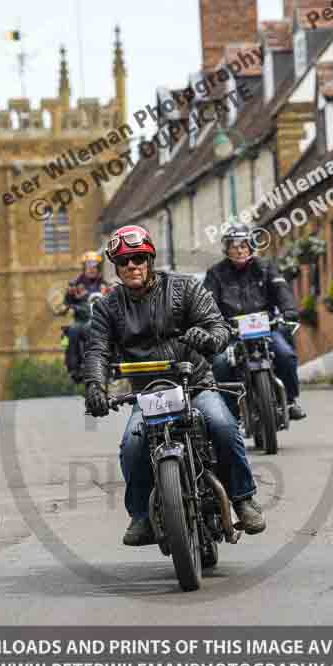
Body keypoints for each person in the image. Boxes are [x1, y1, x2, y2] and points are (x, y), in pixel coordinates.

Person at [83, 224, 266, 546]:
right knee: (132, 446)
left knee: (223, 425)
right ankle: (141, 515)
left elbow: (217, 326)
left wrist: (207, 339)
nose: (132, 266)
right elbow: (97, 350)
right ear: (116, 266)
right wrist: (95, 386)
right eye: (123, 261)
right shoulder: (107, 307)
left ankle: (243, 498)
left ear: (150, 259)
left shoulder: (184, 288)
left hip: (194, 384)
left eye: (138, 258)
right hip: (148, 393)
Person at [203, 223, 306, 421]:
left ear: (250, 247)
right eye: (234, 246)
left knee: (285, 355)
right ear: (227, 250)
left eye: (243, 245)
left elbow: (281, 289)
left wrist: (289, 310)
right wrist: (209, 322)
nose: (239, 250)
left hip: (266, 328)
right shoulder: (215, 273)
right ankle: (231, 412)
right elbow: (207, 302)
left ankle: (290, 401)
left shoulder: (265, 267)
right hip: (232, 333)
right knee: (221, 363)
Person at [62, 252, 109, 381]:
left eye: (95, 265)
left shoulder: (104, 285)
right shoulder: (76, 285)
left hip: (99, 321)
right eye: (89, 265)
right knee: (71, 332)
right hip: (81, 320)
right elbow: (65, 303)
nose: (92, 268)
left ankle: (107, 362)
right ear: (84, 267)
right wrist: (68, 304)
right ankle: (73, 367)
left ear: (99, 267)